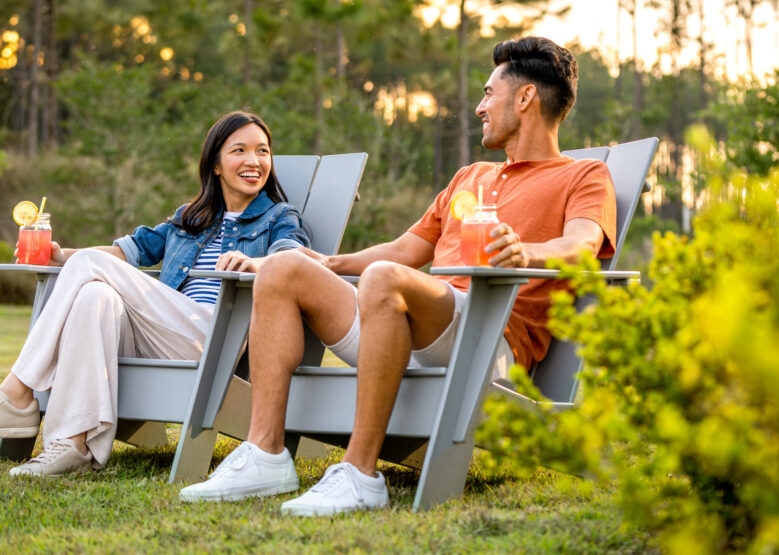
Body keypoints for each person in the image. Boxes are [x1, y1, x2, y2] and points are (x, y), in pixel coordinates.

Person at [178, 36, 617, 515]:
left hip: (489, 338)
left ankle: (361, 474)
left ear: (526, 98)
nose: (479, 107)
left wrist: (523, 253)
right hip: (420, 326)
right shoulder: (469, 177)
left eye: (489, 93)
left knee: (385, 278)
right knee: (285, 267)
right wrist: (325, 264)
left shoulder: (584, 175)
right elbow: (405, 250)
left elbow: (579, 247)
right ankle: (265, 454)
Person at [0, 110, 309, 478]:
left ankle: (16, 392)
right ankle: (73, 445)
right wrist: (62, 256)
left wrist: (256, 263)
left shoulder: (278, 216)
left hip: (216, 335)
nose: (254, 161)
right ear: (215, 164)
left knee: (88, 271)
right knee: (94, 296)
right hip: (163, 332)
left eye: (263, 151)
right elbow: (127, 252)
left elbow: (293, 255)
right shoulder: (189, 218)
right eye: (239, 150)